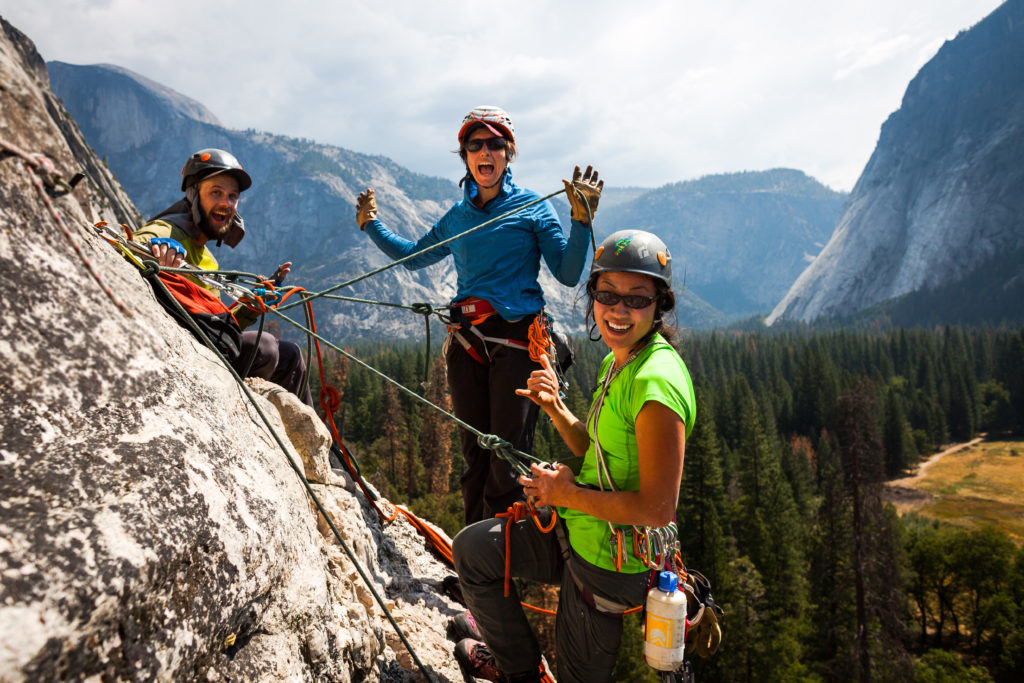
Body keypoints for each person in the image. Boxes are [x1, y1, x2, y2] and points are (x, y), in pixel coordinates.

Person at [450, 230, 696, 683]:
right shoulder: (620, 360)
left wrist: (564, 493)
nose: (618, 310)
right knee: (473, 550)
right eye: (607, 295)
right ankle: (517, 671)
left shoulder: (655, 383)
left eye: (636, 299)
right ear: (593, 298)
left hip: (609, 567)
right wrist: (557, 410)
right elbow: (598, 453)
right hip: (582, 533)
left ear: (660, 304)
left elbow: (657, 509)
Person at [356, 105, 603, 524]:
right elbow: (415, 258)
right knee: (475, 455)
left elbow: (566, 273)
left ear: (509, 153)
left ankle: (498, 567)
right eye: (475, 145)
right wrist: (371, 225)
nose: (485, 151)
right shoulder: (459, 217)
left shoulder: (533, 208)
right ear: (466, 156)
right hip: (467, 343)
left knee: (505, 460)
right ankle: (474, 563)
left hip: (517, 342)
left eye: (494, 144)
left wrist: (581, 222)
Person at [134, 148, 313, 405]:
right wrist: (157, 248)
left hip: (206, 345)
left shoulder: (208, 258)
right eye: (216, 192)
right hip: (187, 354)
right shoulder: (170, 229)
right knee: (265, 345)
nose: (226, 204)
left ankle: (321, 442)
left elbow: (218, 328)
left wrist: (252, 306)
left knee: (291, 355)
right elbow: (140, 240)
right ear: (194, 193)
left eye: (232, 196)